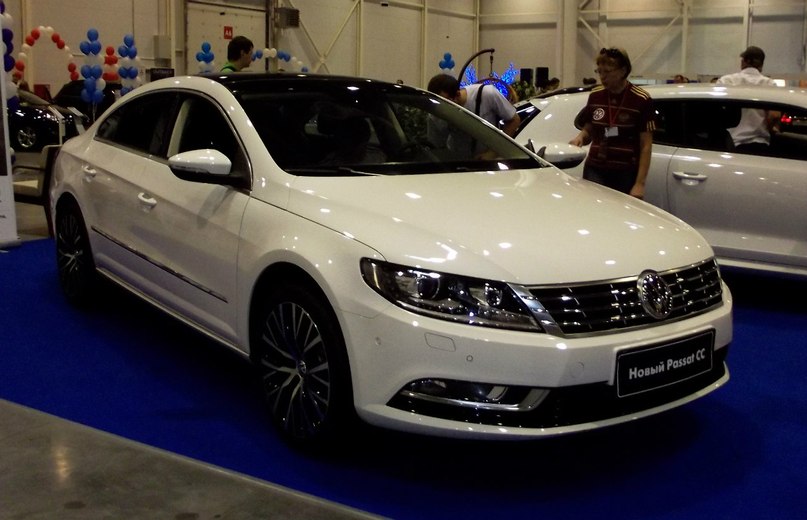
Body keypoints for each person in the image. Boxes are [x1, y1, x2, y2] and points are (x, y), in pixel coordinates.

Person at [569, 47, 654, 199]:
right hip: (595, 167)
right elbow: (590, 128)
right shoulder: (596, 95)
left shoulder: (641, 99)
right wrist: (580, 137)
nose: (602, 77)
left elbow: (646, 145)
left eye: (607, 72)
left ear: (623, 71)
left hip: (625, 171)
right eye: (599, 72)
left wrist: (640, 184)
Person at [716, 46, 779, 154]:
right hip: (760, 144)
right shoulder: (769, 84)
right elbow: (774, 115)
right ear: (761, 65)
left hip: (730, 144)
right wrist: (771, 129)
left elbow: (716, 113)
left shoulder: (726, 81)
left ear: (743, 62)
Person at [427, 73, 520, 138]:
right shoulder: (436, 110)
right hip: (455, 156)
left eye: (445, 101)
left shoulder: (486, 93)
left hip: (487, 157)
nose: (442, 106)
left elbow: (514, 120)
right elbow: (435, 142)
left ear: (457, 94)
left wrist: (493, 153)